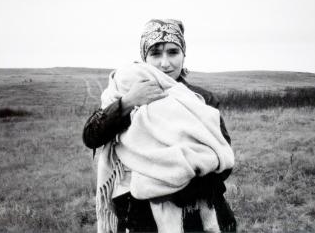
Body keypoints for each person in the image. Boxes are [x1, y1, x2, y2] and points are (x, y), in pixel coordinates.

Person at [83, 19, 236, 233]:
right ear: (144, 58)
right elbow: (91, 136)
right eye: (155, 54)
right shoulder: (123, 93)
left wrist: (173, 184)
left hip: (197, 214)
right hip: (140, 217)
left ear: (184, 55)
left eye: (173, 52)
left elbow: (222, 157)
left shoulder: (200, 99)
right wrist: (127, 102)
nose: (165, 63)